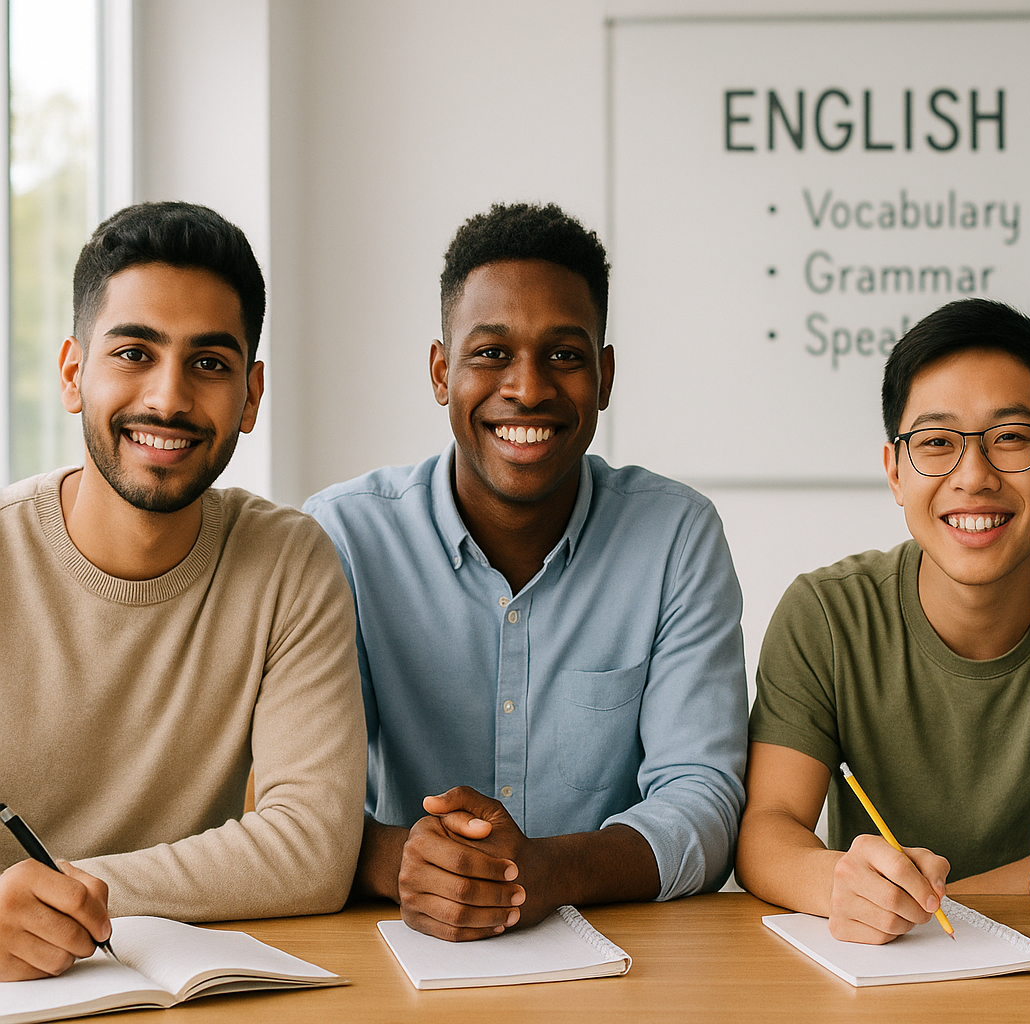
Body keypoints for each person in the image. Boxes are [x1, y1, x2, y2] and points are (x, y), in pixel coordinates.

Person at [304, 202, 747, 941]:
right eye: (491, 354)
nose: (530, 388)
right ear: (443, 372)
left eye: (565, 356)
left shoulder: (676, 537)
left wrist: (551, 871)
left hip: (628, 961)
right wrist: (399, 862)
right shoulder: (344, 537)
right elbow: (297, 800)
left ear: (604, 377)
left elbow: (702, 798)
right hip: (401, 948)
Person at [0, 202, 366, 981]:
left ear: (251, 394)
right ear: (73, 374)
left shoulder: (289, 562)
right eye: (134, 352)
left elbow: (311, 851)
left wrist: (72, 893)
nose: (168, 399)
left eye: (209, 363)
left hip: (178, 990)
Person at [736, 298, 1030, 943]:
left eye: (1010, 438)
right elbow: (769, 826)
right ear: (895, 472)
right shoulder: (827, 615)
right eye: (935, 444)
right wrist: (841, 887)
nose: (973, 477)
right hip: (883, 968)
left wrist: (943, 903)